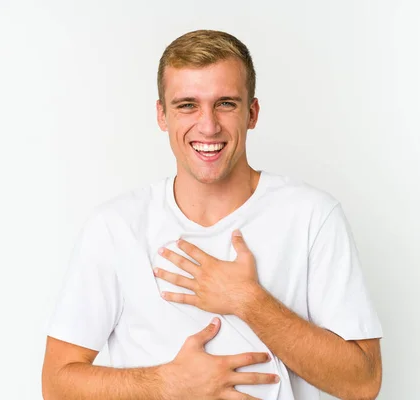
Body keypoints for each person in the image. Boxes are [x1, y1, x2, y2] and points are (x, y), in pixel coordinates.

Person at [41, 29, 383, 400]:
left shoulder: (313, 217)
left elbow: (362, 383)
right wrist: (167, 384)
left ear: (251, 113)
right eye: (187, 104)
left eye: (226, 104)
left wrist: (248, 300)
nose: (208, 125)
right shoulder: (115, 228)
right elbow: (57, 384)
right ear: (162, 115)